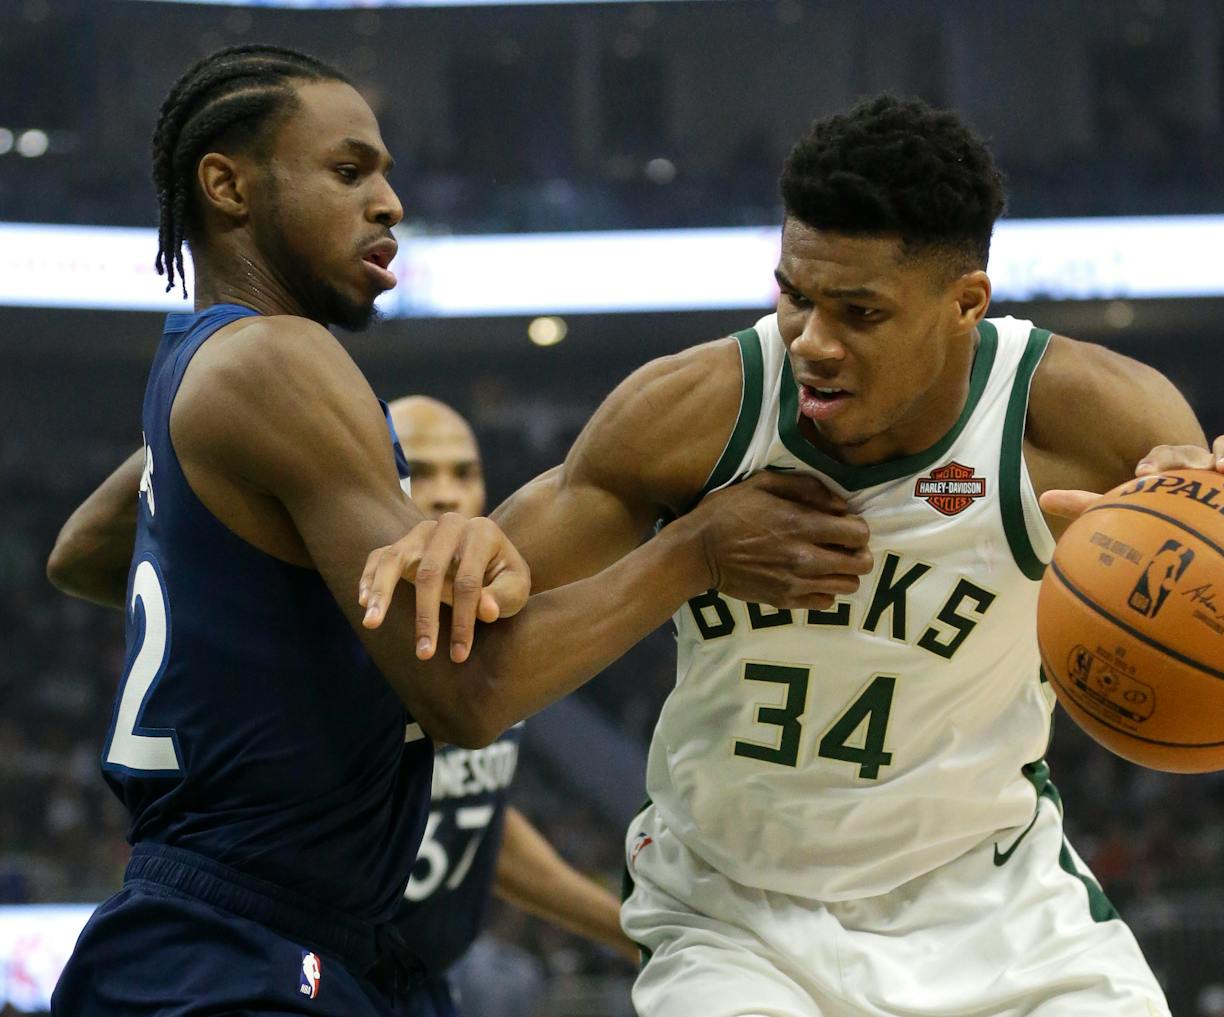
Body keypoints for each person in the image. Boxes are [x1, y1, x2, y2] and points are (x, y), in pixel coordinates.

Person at [363, 94, 1224, 1017]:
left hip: (994, 907)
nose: (809, 340)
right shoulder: (692, 415)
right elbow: (467, 680)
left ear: (966, 301)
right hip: (734, 915)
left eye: (859, 312)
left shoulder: (1089, 420)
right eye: (794, 295)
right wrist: (679, 553)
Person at [43, 46, 869, 1017]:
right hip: (241, 947)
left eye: (386, 173)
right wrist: (693, 553)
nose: (389, 201)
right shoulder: (278, 357)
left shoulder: (196, 368)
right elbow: (468, 698)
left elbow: (81, 554)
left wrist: (261, 599)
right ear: (224, 185)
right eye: (350, 171)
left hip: (265, 934)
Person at [386, 395, 637, 1017]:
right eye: (420, 471)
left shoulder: (483, 630)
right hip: (323, 975)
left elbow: (471, 818)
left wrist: (633, 934)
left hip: (422, 983)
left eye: (463, 473)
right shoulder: (348, 627)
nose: (447, 495)